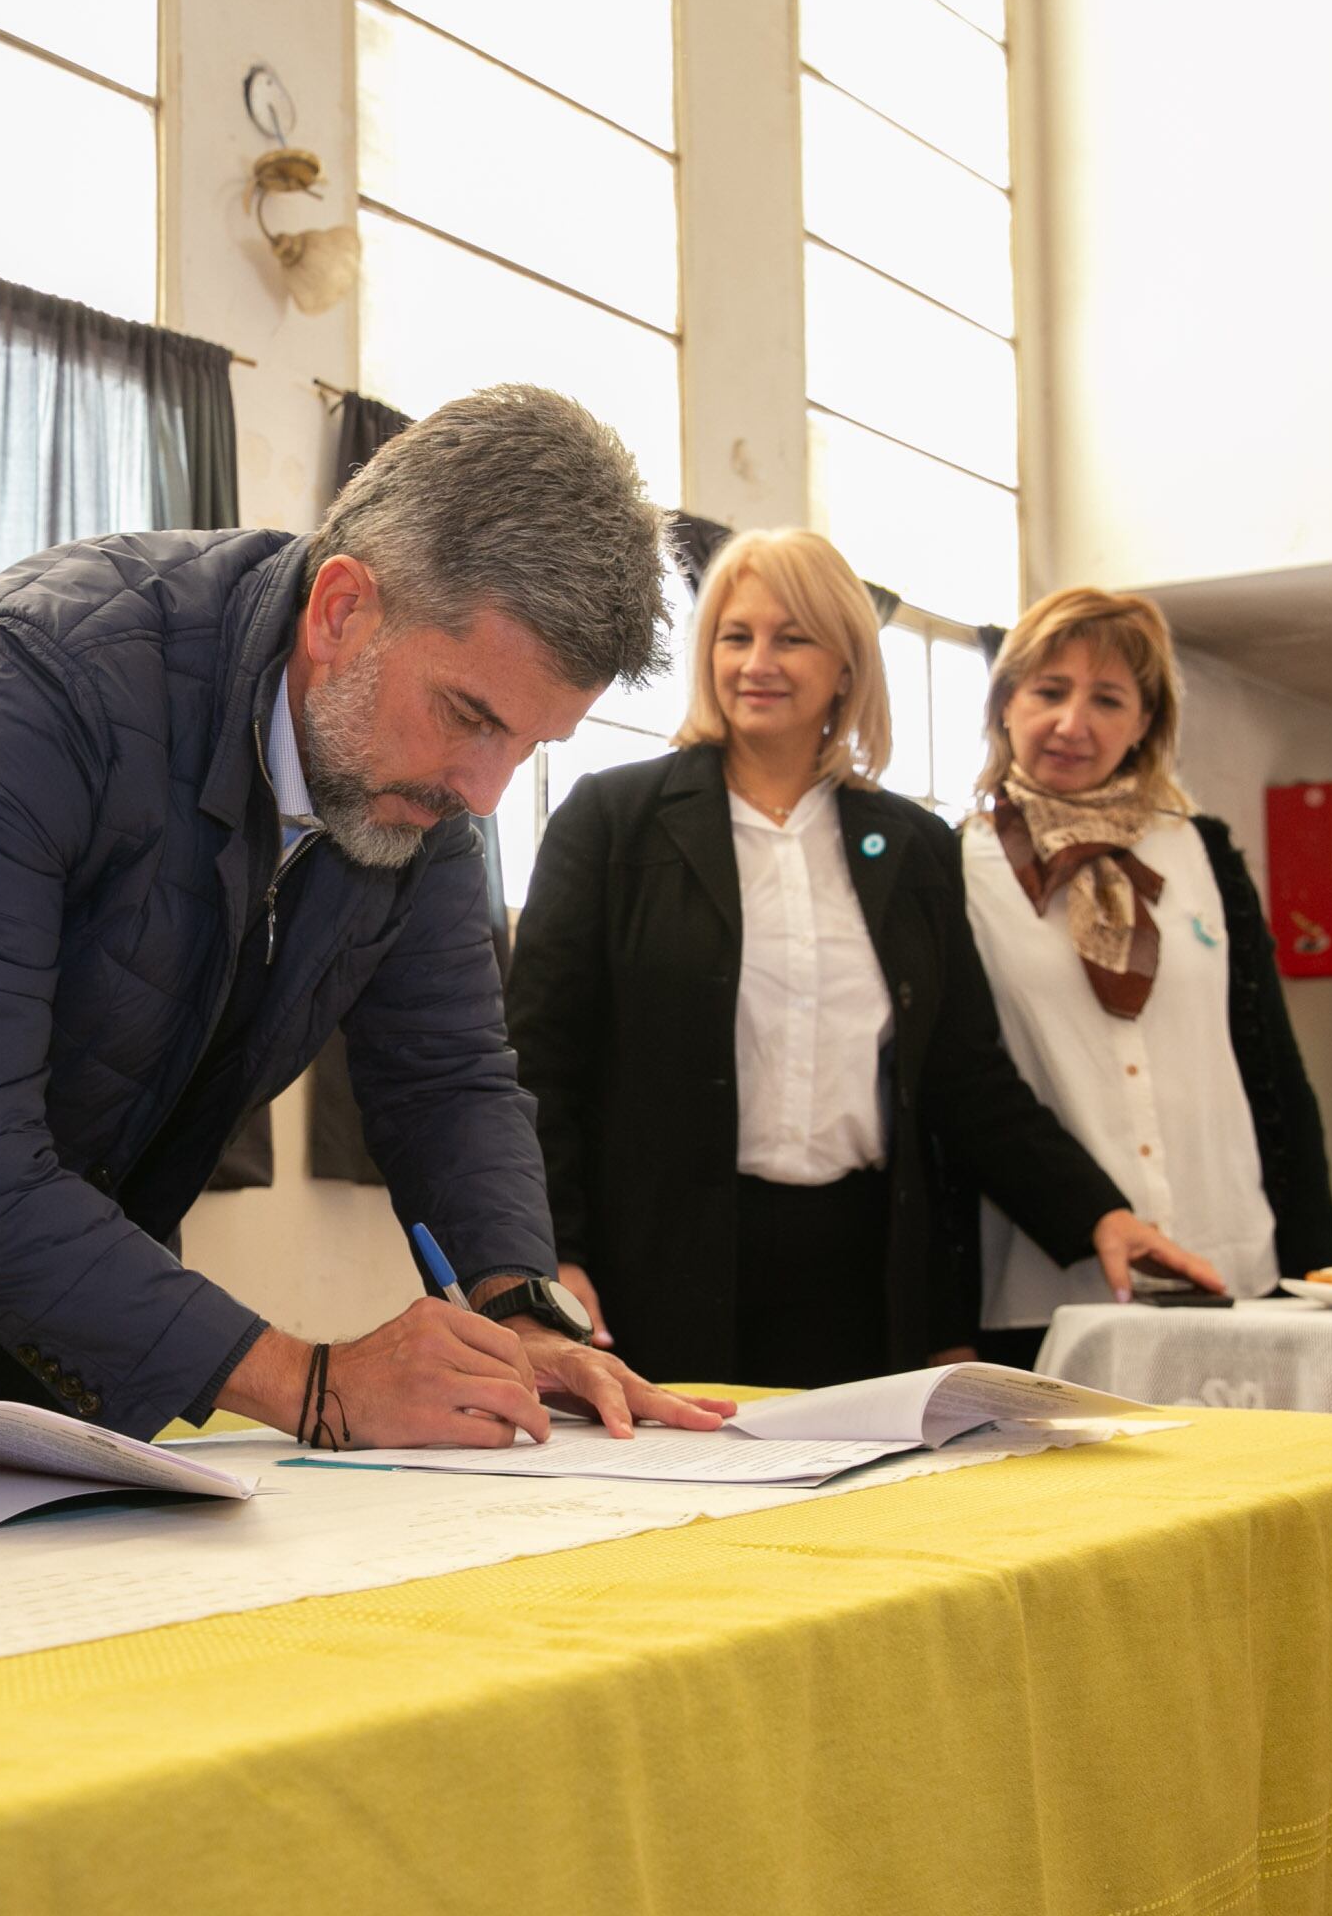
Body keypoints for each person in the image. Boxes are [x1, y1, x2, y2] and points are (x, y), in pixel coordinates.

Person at [0, 386, 736, 1453]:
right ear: (340, 609)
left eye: (530, 746)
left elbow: (446, 1073)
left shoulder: (423, 788)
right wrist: (313, 1382)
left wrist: (521, 1315)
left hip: (21, 1301)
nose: (488, 790)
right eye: (469, 716)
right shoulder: (43, 676)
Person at [503, 530, 1222, 1390]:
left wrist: (1095, 1213)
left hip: (861, 1278)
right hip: (657, 1272)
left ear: (846, 666)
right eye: (736, 636)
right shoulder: (613, 818)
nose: (757, 662)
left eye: (792, 637)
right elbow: (540, 1060)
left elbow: (966, 1076)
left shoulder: (913, 846)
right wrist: (556, 1256)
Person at [959, 588, 1332, 1367]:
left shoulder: (1203, 852)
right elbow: (964, 1084)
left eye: (1107, 699)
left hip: (1232, 1262)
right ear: (1005, 705)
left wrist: (1320, 1271)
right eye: (1049, 692)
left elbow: (1273, 1074)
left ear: (1143, 724)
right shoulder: (954, 864)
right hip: (1051, 1281)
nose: (1073, 723)